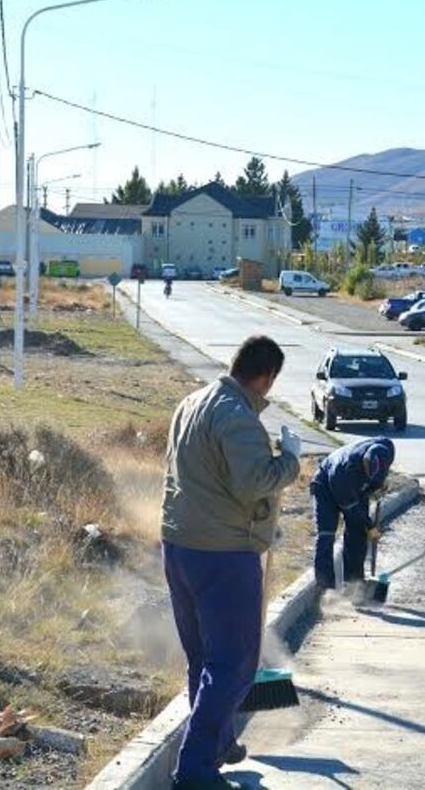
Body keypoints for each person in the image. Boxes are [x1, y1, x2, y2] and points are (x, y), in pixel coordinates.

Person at [161, 335, 302, 790]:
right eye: (271, 384)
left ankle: (219, 743)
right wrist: (291, 461)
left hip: (180, 548)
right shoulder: (237, 416)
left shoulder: (192, 402)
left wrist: (262, 522)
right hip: (223, 556)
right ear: (266, 376)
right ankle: (196, 770)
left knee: (203, 657)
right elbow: (255, 480)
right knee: (233, 666)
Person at [310, 437, 396, 589]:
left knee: (357, 532)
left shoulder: (387, 448)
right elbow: (352, 510)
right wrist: (370, 526)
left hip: (354, 485)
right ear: (365, 462)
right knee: (327, 533)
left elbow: (375, 481)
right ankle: (325, 589)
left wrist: (375, 487)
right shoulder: (343, 470)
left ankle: (353, 585)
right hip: (326, 485)